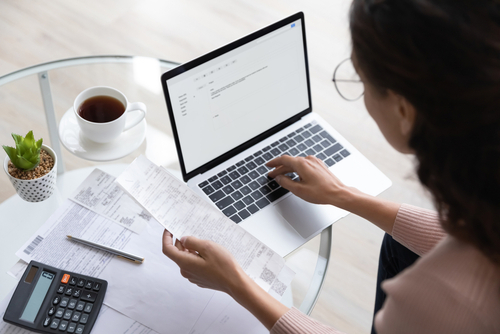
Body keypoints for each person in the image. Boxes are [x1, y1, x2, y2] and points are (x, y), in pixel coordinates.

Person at [162, 0, 500, 332]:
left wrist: (237, 284)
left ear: (403, 110)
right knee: (398, 245)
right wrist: (343, 195)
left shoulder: (435, 303)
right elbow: (459, 234)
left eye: (361, 80)